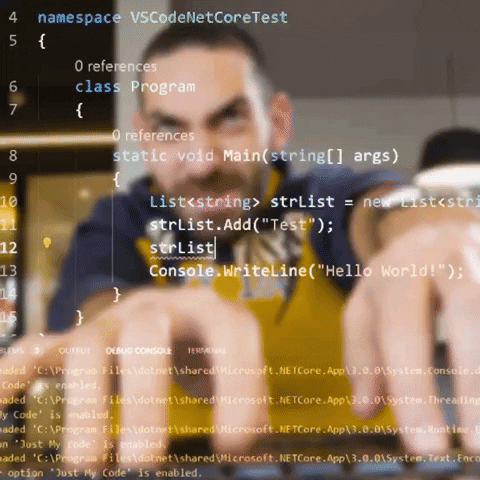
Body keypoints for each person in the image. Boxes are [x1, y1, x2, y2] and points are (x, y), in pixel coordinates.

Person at [2, 24, 480, 469]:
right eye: (170, 129)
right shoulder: (116, 224)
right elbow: (93, 304)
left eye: (229, 120)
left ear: (278, 122)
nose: (202, 163)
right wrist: (125, 316)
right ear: (144, 138)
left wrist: (432, 229)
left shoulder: (324, 200)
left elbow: (383, 209)